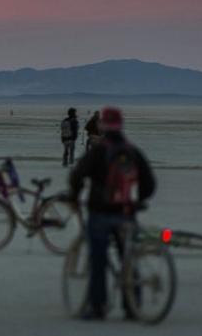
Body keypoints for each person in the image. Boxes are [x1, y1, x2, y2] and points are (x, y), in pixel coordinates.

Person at [67, 107, 156, 321]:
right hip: (126, 213)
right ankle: (132, 305)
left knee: (98, 260)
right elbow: (149, 184)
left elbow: (77, 175)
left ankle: (98, 307)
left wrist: (75, 195)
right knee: (128, 258)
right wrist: (135, 202)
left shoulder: (99, 150)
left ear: (103, 125)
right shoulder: (132, 150)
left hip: (100, 212)